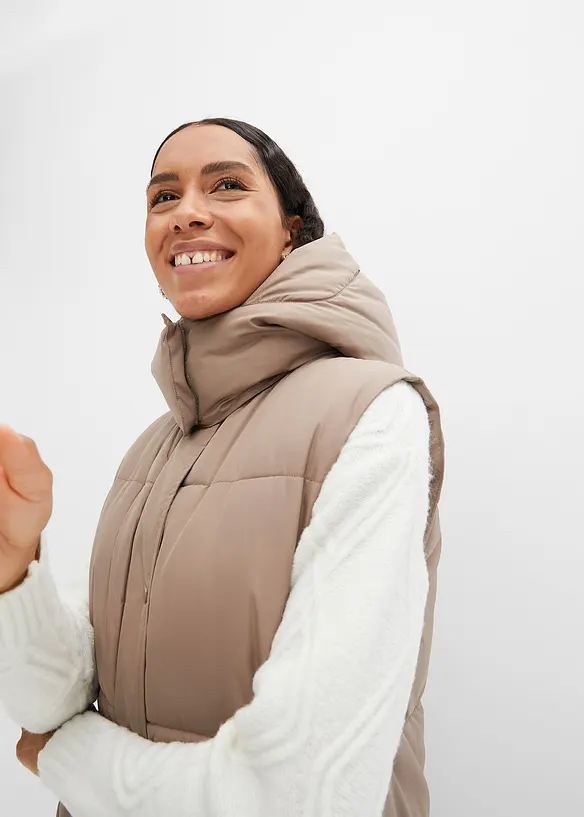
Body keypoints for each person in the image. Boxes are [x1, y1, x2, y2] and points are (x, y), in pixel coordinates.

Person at [0, 118, 444, 817]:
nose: (187, 213)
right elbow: (58, 697)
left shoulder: (372, 413)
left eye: (228, 185)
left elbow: (302, 796)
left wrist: (66, 759)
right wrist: (14, 571)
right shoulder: (152, 448)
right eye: (163, 196)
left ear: (292, 230)